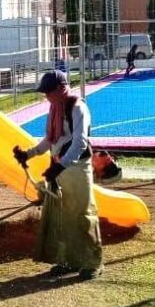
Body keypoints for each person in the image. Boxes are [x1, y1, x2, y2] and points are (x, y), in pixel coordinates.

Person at [12, 70, 102, 279]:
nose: (46, 96)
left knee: (82, 215)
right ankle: (70, 261)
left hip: (77, 168)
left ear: (61, 88)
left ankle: (92, 263)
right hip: (59, 168)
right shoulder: (55, 108)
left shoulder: (77, 107)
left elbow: (80, 142)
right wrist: (28, 154)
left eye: (49, 92)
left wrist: (60, 166)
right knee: (63, 217)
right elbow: (50, 139)